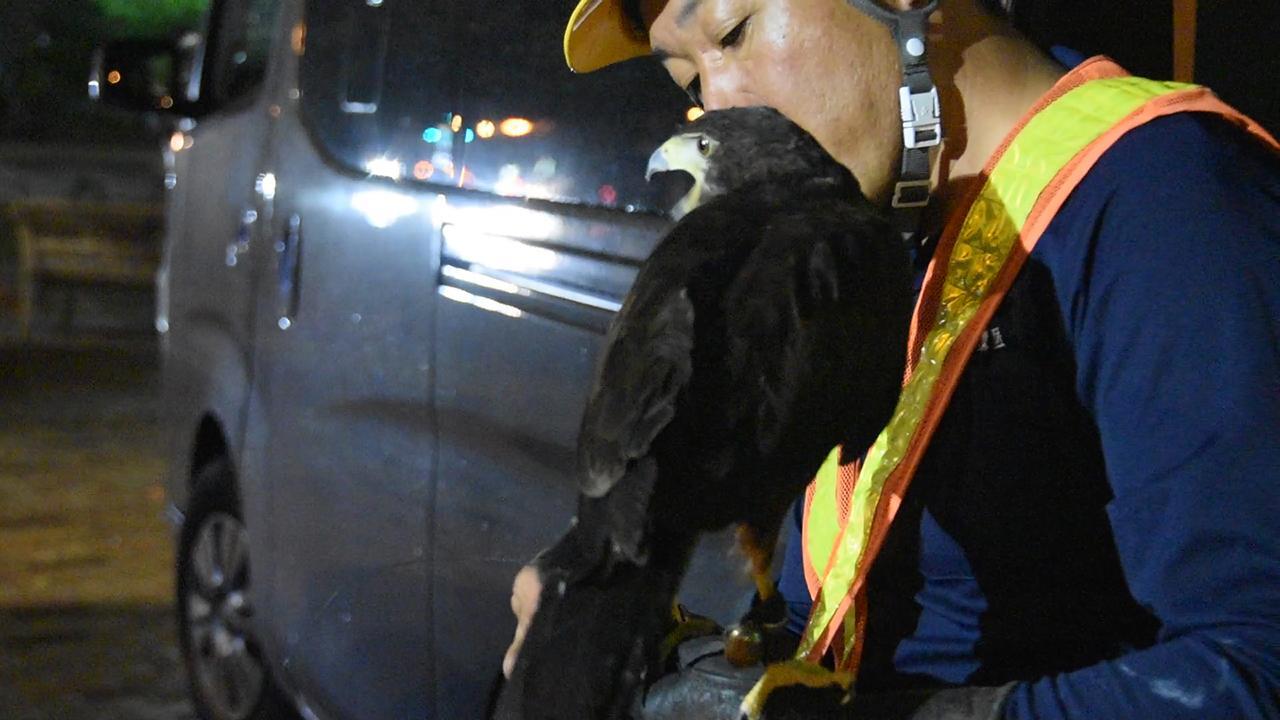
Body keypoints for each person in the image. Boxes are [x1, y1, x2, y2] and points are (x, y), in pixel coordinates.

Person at [506, 0, 1280, 717]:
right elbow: (872, 620)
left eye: (733, 31)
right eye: (689, 77)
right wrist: (670, 646)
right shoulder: (888, 237)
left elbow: (1251, 670)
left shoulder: (1166, 202)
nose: (720, 101)